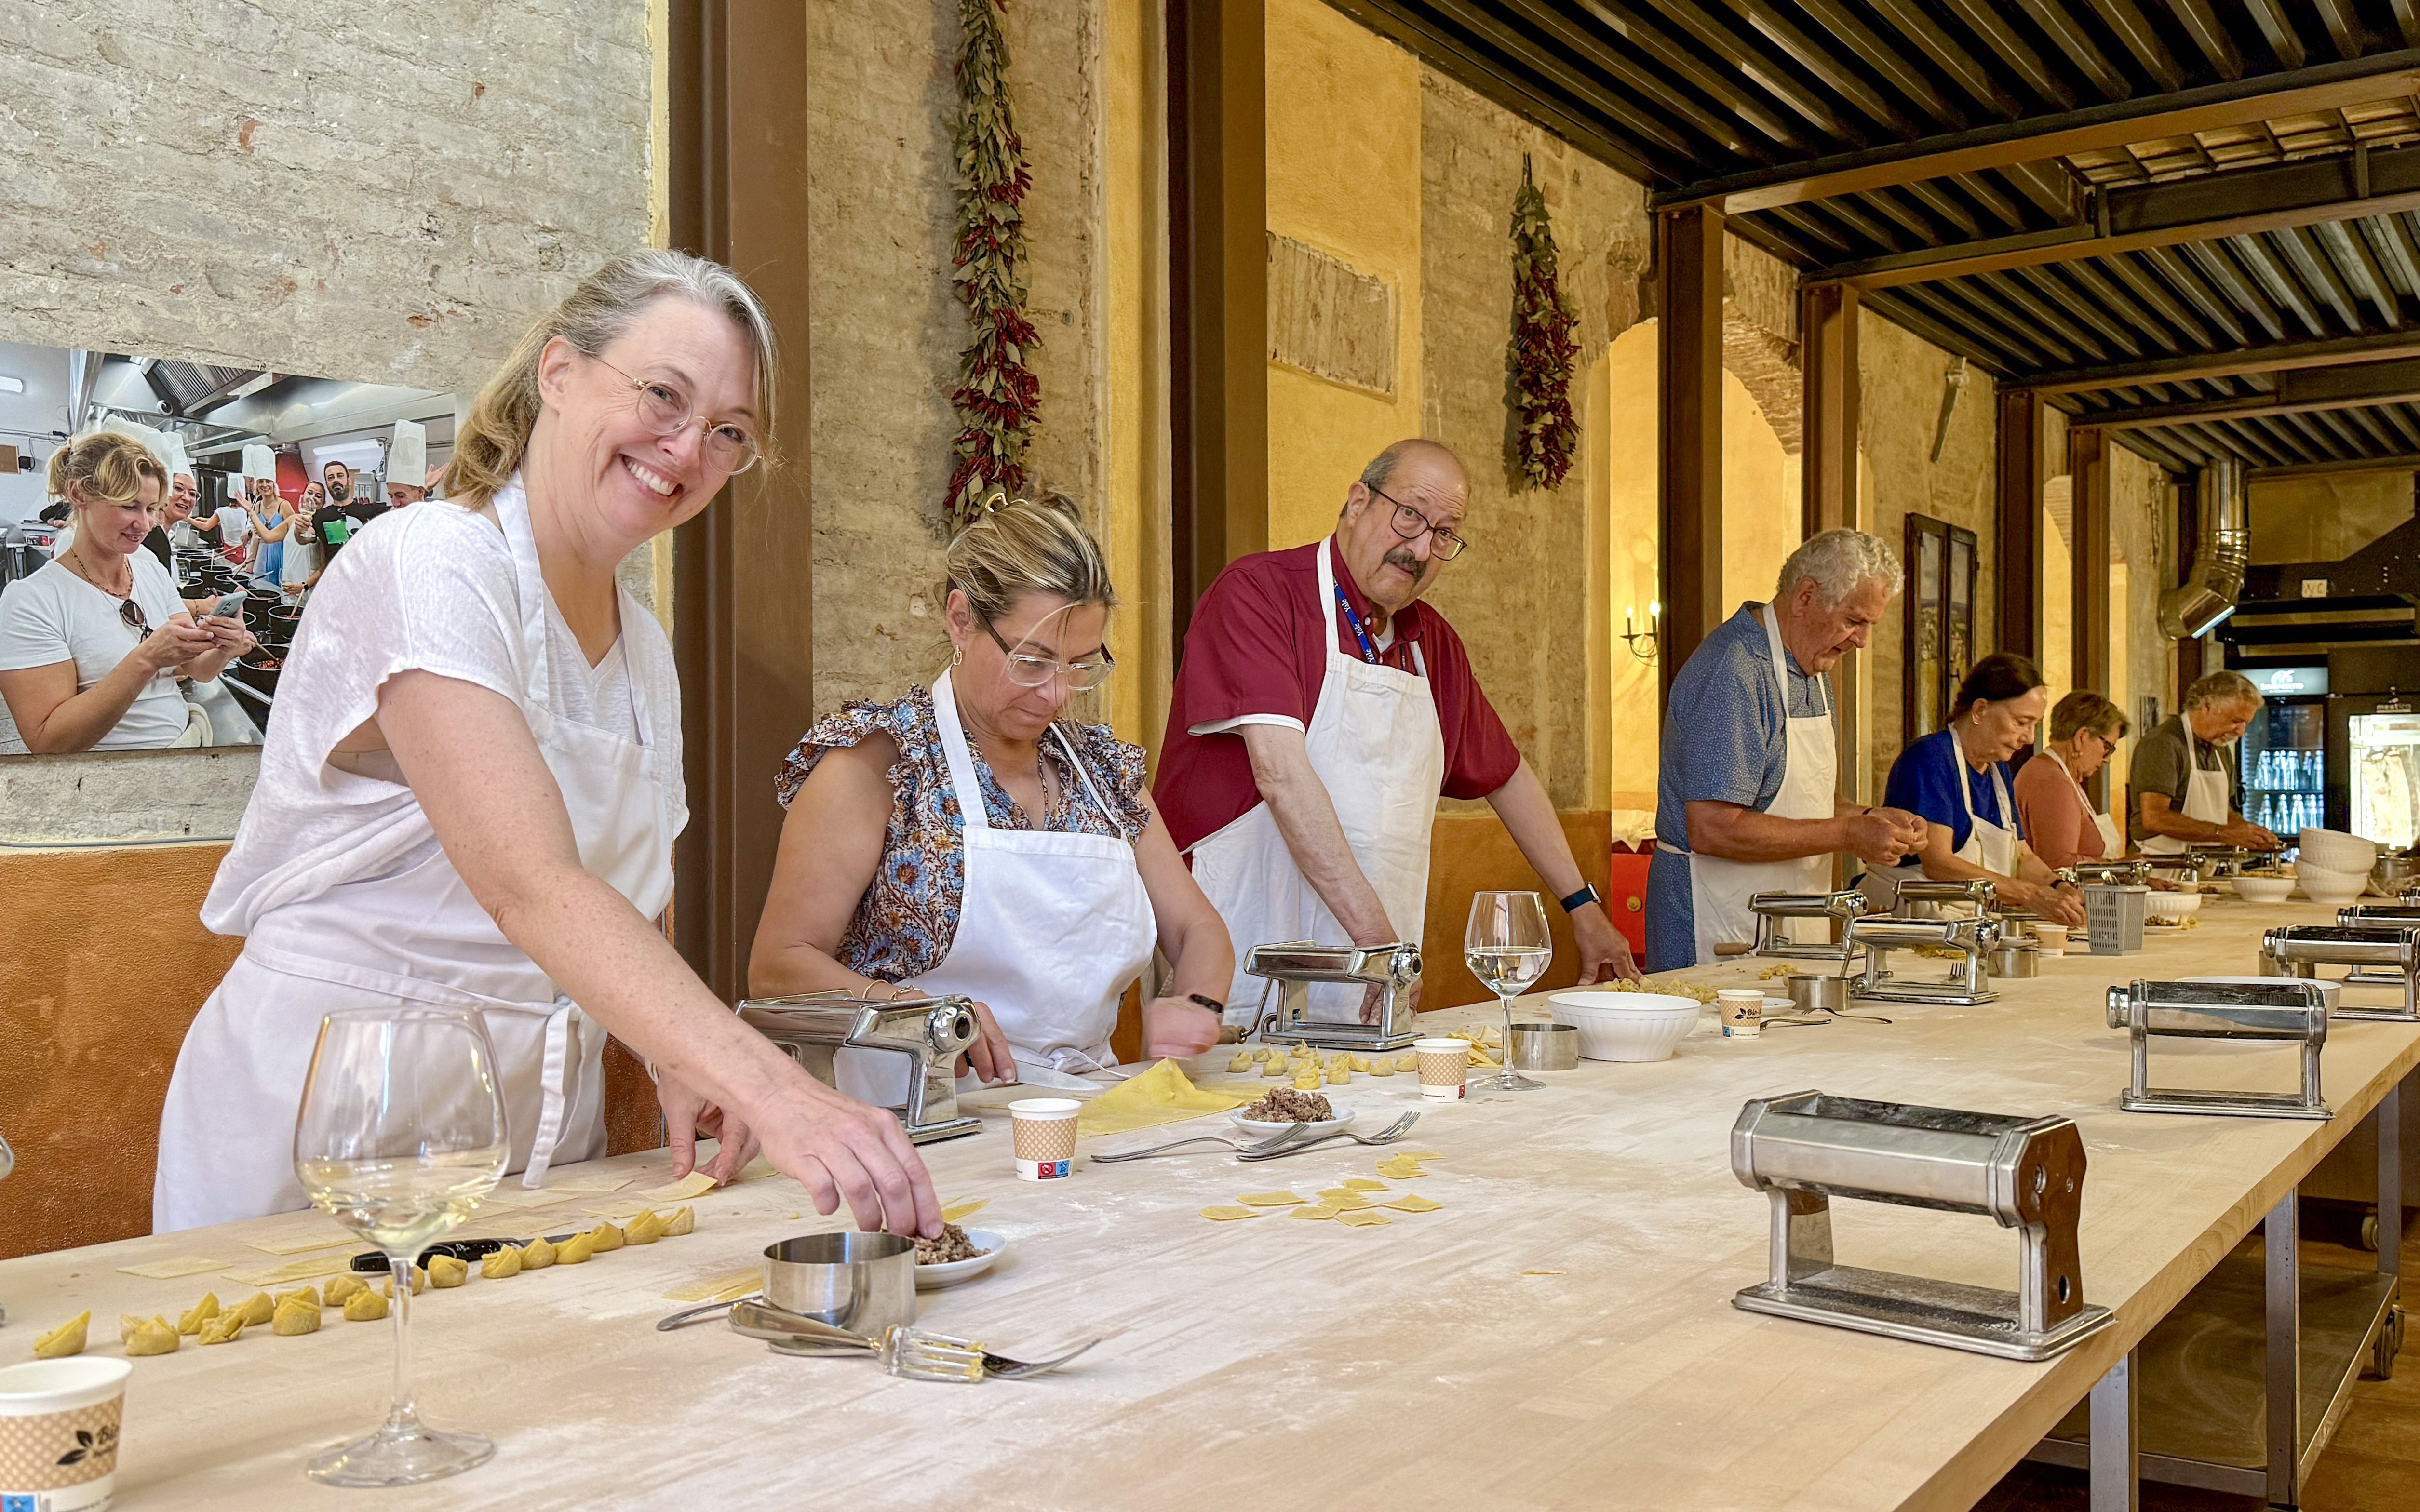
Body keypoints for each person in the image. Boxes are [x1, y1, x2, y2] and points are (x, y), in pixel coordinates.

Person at [155, 249, 939, 1238]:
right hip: (334, 1115)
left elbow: (622, 902)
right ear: (558, 373)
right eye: (663, 395)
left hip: (524, 1133)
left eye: (728, 431)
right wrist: (774, 1085)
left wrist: (674, 1057)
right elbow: (529, 881)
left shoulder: (644, 645)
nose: (688, 447)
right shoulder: (435, 558)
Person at [752, 493, 1237, 1095]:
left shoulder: (1104, 773)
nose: (1057, 694)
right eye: (1031, 661)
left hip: (1083, 1113)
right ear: (961, 618)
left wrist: (1195, 1002)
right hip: (913, 1118)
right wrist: (921, 1014)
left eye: (1083, 664)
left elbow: (1198, 930)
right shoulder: (877, 766)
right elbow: (778, 965)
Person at [1155, 438, 1637, 1029]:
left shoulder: (1431, 644)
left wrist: (1582, 906)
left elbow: (1507, 775)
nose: (1419, 548)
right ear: (1357, 501)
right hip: (1247, 948)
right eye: (1408, 514)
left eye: (1443, 533)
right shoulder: (1259, 593)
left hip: (1375, 979)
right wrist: (1379, 944)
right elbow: (1279, 774)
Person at [1645, 530, 1931, 971]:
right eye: (1855, 620)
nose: (1862, 641)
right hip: (1719, 925)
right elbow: (1714, 828)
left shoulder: (1812, 671)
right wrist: (1849, 834)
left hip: (1790, 920)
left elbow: (1803, 801)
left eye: (1871, 624)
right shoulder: (1734, 671)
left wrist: (1869, 818)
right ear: (1805, 597)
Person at [0, 435, 249, 754]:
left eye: (150, 508)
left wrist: (223, 647)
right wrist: (147, 658)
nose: (144, 523)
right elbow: (49, 742)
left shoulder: (151, 573)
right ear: (79, 494)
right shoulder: (32, 601)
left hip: (186, 744)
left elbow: (197, 668)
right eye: (129, 506)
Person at [1883, 653, 2086, 925]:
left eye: (2035, 725)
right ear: (1980, 710)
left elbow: (2022, 856)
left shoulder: (1998, 771)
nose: (2029, 738)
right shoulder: (1932, 758)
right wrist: (2029, 895)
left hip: (1967, 922)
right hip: (1916, 925)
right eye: (2022, 722)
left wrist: (2059, 888)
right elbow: (1939, 863)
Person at [2131, 669, 2283, 855]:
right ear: (2206, 706)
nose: (2241, 732)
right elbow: (2155, 817)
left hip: (2201, 865)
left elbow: (2222, 813)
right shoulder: (2163, 743)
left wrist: (2251, 833)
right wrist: (2223, 833)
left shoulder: (2221, 749)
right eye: (2236, 721)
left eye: (2246, 724)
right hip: (2161, 866)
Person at [2013, 691, 2129, 870]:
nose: (2107, 759)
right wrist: (2119, 868)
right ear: (2081, 737)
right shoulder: (2052, 781)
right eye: (2108, 747)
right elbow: (2059, 864)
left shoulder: (2063, 775)